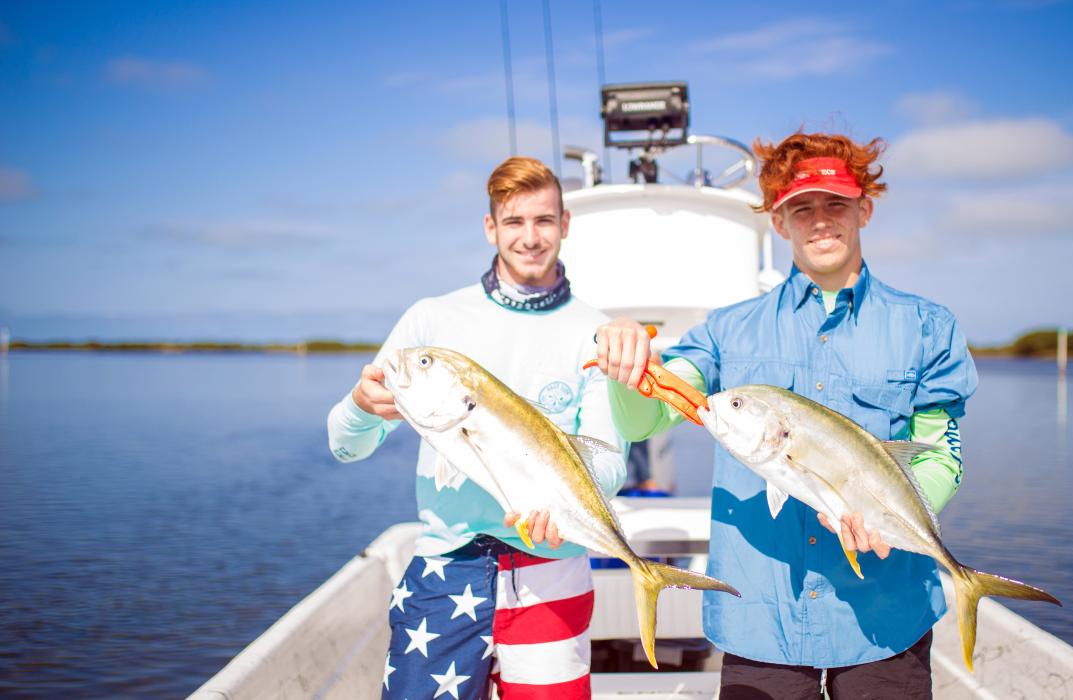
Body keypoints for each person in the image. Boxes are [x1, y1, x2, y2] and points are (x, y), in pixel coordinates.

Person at [594, 131, 977, 698]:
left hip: (886, 615)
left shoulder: (927, 327)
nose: (820, 221)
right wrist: (630, 365)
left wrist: (887, 520)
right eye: (802, 208)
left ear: (864, 209)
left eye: (836, 204)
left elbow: (941, 454)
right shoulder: (727, 330)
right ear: (779, 222)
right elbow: (644, 423)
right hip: (760, 621)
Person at [327, 156, 624, 700]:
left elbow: (606, 458)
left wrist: (566, 508)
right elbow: (344, 447)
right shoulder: (431, 322)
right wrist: (361, 405)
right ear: (491, 227)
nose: (530, 238)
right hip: (446, 566)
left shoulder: (595, 332)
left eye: (543, 221)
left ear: (565, 224)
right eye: (514, 222)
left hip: (550, 571)